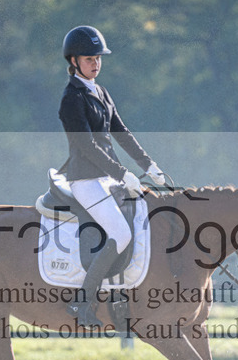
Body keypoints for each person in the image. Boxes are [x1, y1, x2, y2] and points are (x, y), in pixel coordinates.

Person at [58, 25, 165, 327]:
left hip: (107, 178)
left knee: (140, 218)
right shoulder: (72, 98)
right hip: (85, 180)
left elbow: (120, 132)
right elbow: (86, 145)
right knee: (121, 234)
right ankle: (82, 304)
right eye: (89, 59)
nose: (95, 63)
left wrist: (148, 165)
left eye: (98, 58)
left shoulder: (100, 92)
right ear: (74, 61)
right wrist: (122, 173)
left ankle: (120, 294)